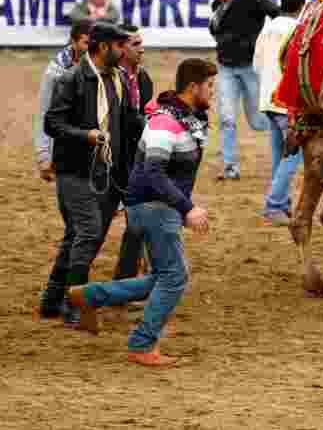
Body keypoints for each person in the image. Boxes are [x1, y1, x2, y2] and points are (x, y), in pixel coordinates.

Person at [65, 59, 215, 366]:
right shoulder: (165, 123)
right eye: (210, 86)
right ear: (193, 87)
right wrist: (187, 208)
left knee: (160, 277)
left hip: (154, 206)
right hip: (153, 207)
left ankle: (90, 296)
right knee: (174, 277)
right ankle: (142, 344)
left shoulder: (186, 118)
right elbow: (152, 173)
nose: (214, 92)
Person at [39, 22, 143, 327]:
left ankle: (51, 301)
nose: (124, 50)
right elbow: (52, 124)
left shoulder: (119, 78)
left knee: (77, 235)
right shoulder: (72, 78)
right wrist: (85, 135)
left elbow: (128, 120)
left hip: (108, 172)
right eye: (119, 45)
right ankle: (74, 305)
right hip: (74, 170)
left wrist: (157, 123)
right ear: (102, 47)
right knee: (87, 232)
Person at [207, 0, 279, 180]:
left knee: (258, 121)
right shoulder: (216, 5)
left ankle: (290, 131)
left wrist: (269, 41)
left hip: (250, 67)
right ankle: (231, 168)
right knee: (226, 117)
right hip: (226, 67)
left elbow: (276, 13)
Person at [253, 0, 306, 225]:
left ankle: (281, 204)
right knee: (293, 155)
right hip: (286, 101)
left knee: (279, 154)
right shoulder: (299, 29)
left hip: (267, 99)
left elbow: (256, 65)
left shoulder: (268, 28)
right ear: (301, 6)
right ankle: (274, 205)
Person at [111, 24, 153, 281]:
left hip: (134, 160)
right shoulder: (111, 79)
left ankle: (127, 275)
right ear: (121, 48)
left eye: (141, 43)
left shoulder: (143, 77)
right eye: (136, 44)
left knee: (137, 220)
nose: (142, 48)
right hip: (112, 160)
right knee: (95, 227)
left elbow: (144, 113)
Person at [35, 18, 94, 182]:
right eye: (86, 43)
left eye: (94, 43)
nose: (91, 48)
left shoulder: (102, 65)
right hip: (65, 146)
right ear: (73, 42)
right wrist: (43, 155)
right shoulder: (55, 72)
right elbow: (44, 112)